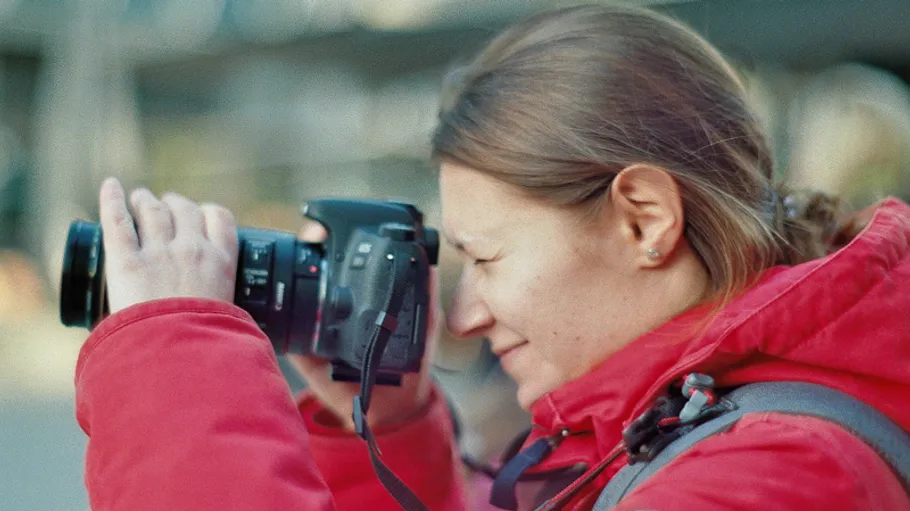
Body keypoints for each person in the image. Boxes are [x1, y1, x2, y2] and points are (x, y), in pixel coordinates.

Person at [73, 4, 910, 511]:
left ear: (644, 218)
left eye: (489, 257)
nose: (465, 314)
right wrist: (391, 435)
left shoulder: (777, 475)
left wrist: (172, 366)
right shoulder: (674, 427)